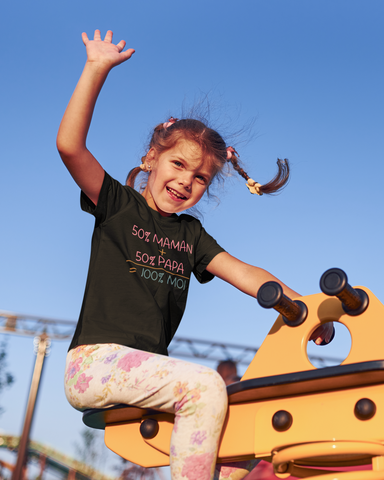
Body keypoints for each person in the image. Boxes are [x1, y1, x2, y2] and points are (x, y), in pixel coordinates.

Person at [58, 30, 333, 480]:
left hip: (147, 377)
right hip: (96, 363)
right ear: (151, 158)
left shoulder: (191, 235)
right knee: (206, 386)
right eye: (178, 165)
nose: (187, 181)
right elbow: (70, 147)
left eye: (201, 177)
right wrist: (96, 69)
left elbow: (245, 273)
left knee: (230, 441)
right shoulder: (117, 205)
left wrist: (304, 309)